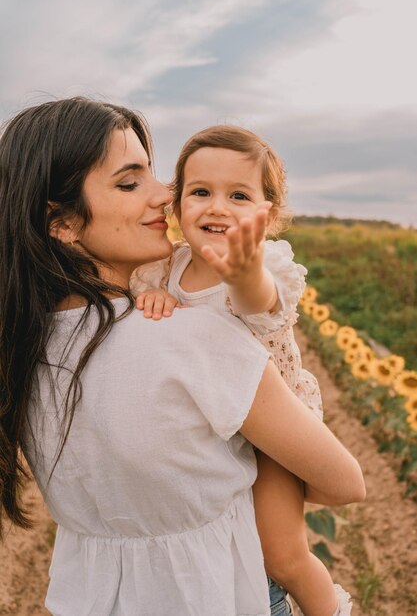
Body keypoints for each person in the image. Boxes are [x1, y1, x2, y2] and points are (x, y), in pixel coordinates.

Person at [0, 97, 365, 616]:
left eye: (154, 175)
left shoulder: (25, 353)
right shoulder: (192, 339)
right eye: (129, 183)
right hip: (225, 594)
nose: (163, 196)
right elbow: (345, 481)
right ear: (61, 223)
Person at [130, 126, 352, 616]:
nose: (217, 206)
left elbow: (261, 306)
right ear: (176, 204)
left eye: (238, 195)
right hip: (209, 428)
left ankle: (326, 610)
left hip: (272, 428)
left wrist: (245, 272)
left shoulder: (265, 268)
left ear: (266, 215)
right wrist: (157, 298)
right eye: (201, 192)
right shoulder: (163, 269)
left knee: (281, 552)